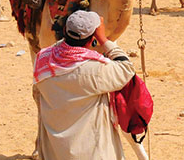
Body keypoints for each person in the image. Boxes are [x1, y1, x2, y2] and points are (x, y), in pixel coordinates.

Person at [33, 10, 134, 159]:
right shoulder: (95, 71)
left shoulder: (42, 61)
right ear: (92, 39)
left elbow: (59, 48)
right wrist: (104, 39)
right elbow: (126, 68)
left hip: (55, 152)